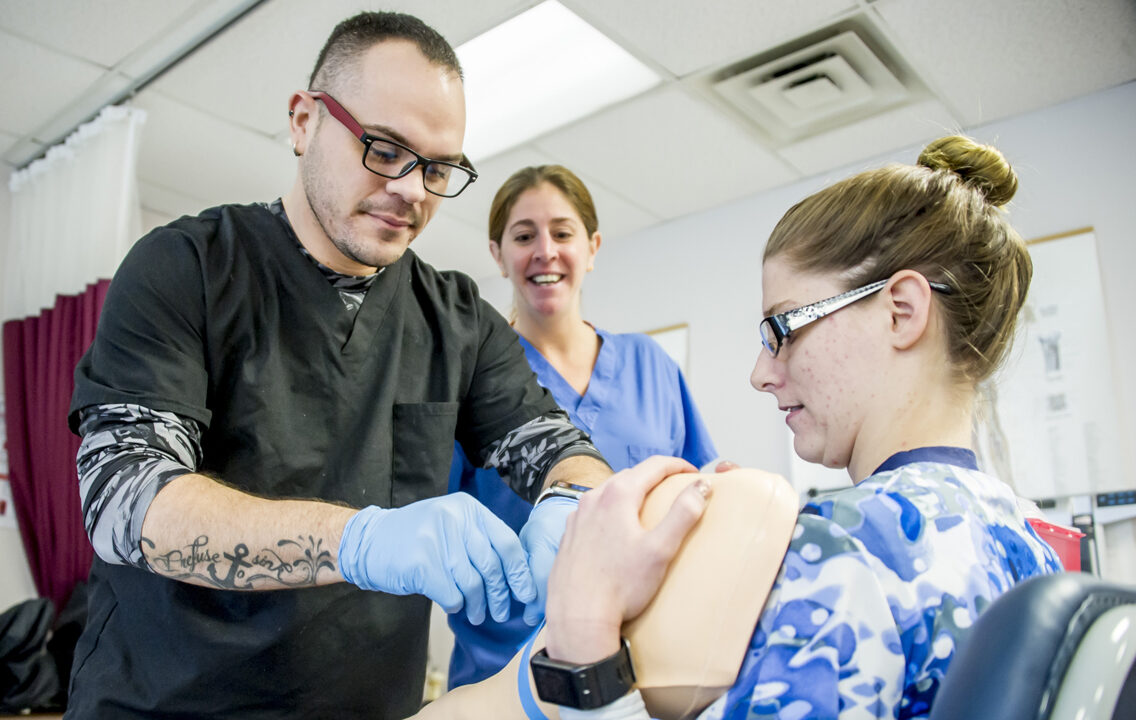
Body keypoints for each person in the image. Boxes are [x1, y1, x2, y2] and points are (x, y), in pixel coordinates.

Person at [65, 12, 614, 719]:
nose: (414, 190)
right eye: (385, 149)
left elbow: (562, 448)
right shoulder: (188, 268)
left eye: (439, 168)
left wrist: (571, 503)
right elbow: (125, 501)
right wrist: (361, 541)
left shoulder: (456, 320)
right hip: (167, 702)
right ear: (303, 122)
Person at [418, 135, 1064, 719]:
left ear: (901, 311)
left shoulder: (840, 557)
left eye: (783, 327)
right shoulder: (1032, 546)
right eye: (523, 235)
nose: (760, 373)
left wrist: (588, 652)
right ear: (497, 254)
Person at [447, 165, 717, 688]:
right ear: (497, 255)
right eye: (523, 235)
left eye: (563, 233)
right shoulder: (471, 381)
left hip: (646, 663)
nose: (545, 250)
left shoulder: (648, 363)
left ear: (592, 247)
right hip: (503, 677)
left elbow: (700, 488)